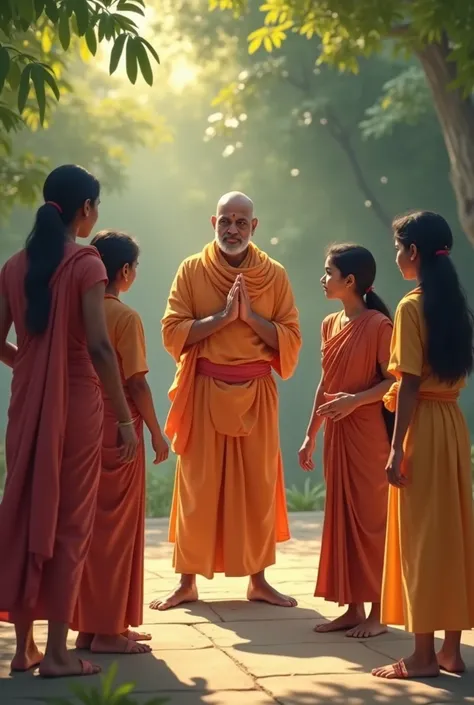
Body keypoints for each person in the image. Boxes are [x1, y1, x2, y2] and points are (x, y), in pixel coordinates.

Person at [0, 165, 138, 678]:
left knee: (26, 509)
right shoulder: (87, 263)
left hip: (26, 403)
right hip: (80, 403)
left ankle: (23, 649)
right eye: (95, 207)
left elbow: (0, 341)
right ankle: (58, 654)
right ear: (85, 209)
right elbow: (100, 347)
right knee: (70, 525)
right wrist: (124, 422)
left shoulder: (15, 265)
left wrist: (35, 366)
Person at [150, 191, 301, 610]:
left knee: (258, 486)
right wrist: (221, 318)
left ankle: (258, 580)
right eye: (225, 221)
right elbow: (171, 331)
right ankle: (186, 582)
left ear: (255, 227)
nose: (232, 229)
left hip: (256, 394)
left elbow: (291, 338)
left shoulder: (274, 275)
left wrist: (250, 318)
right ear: (212, 223)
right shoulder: (192, 270)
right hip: (203, 390)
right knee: (197, 487)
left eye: (240, 222)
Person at [372, 211, 474, 680]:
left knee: (421, 540)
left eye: (399, 247)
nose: (396, 256)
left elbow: (409, 383)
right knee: (451, 535)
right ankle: (451, 650)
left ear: (413, 252)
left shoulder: (412, 308)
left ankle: (422, 656)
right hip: (452, 423)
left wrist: (395, 448)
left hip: (424, 428)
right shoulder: (454, 303)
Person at [71, 230, 169, 654]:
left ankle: (94, 626)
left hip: (83, 424)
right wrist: (155, 431)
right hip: (118, 427)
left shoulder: (78, 313)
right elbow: (137, 384)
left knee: (91, 531)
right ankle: (108, 633)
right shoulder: (124, 317)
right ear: (125, 271)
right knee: (116, 532)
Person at [298, 244, 393, 638]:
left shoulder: (379, 326)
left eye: (328, 272)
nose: (322, 279)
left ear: (350, 280)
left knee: (371, 521)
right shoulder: (329, 324)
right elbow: (325, 382)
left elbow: (394, 380)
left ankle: (378, 612)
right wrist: (310, 433)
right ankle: (353, 607)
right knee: (342, 517)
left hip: (367, 432)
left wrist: (354, 401)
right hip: (336, 431)